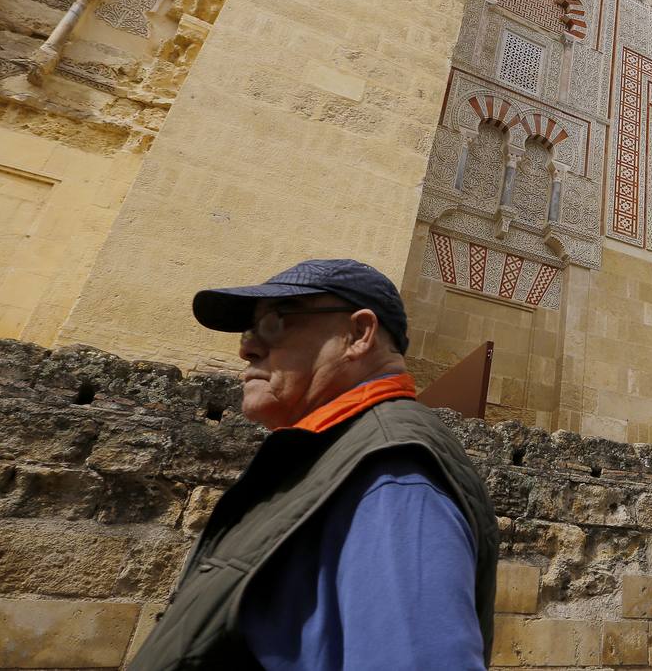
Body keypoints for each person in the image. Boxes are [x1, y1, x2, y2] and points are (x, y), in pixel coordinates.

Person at [131, 259, 497, 671]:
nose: (246, 347)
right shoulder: (336, 455)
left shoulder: (392, 473)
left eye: (274, 322)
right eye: (249, 329)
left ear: (358, 335)